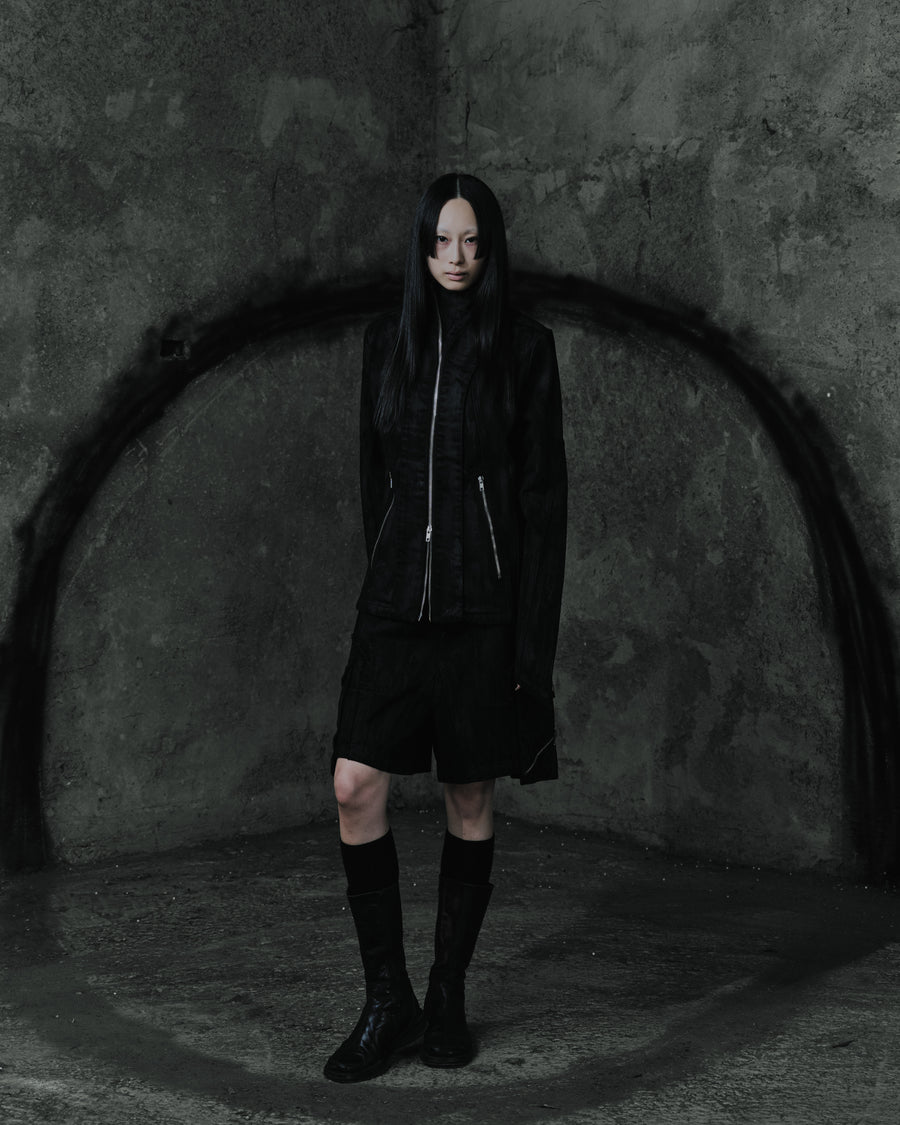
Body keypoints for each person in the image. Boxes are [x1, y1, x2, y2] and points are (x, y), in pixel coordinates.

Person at [324, 172, 567, 1083]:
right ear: (421, 247)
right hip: (396, 608)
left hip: (481, 612)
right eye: (440, 241)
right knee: (354, 783)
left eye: (471, 241)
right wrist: (396, 562)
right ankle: (387, 1000)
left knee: (470, 796)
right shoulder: (384, 342)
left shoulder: (525, 350)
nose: (456, 258)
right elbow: (373, 484)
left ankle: (447, 991)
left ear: (489, 246)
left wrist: (529, 649)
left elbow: (544, 509)